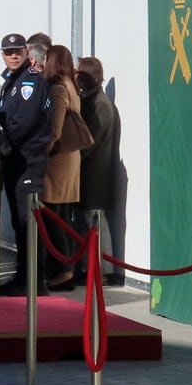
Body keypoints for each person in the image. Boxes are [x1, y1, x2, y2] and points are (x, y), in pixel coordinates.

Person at [0, 33, 56, 295]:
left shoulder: (29, 81)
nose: (13, 56)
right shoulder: (11, 81)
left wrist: (2, 141)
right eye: (8, 52)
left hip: (28, 159)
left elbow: (25, 122)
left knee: (29, 221)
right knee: (20, 223)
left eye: (17, 51)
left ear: (26, 52)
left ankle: (36, 280)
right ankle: (24, 276)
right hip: (15, 160)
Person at [77, 56, 126, 286]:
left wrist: (75, 156)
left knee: (96, 220)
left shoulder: (101, 105)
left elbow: (92, 141)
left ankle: (105, 269)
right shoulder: (93, 100)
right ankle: (93, 266)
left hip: (96, 173)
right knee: (90, 220)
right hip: (91, 172)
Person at [42, 45, 87, 291]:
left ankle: (63, 270)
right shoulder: (72, 85)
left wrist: (42, 152)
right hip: (70, 158)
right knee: (60, 215)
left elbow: (55, 129)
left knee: (53, 216)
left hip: (58, 160)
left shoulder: (58, 88)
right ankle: (63, 268)